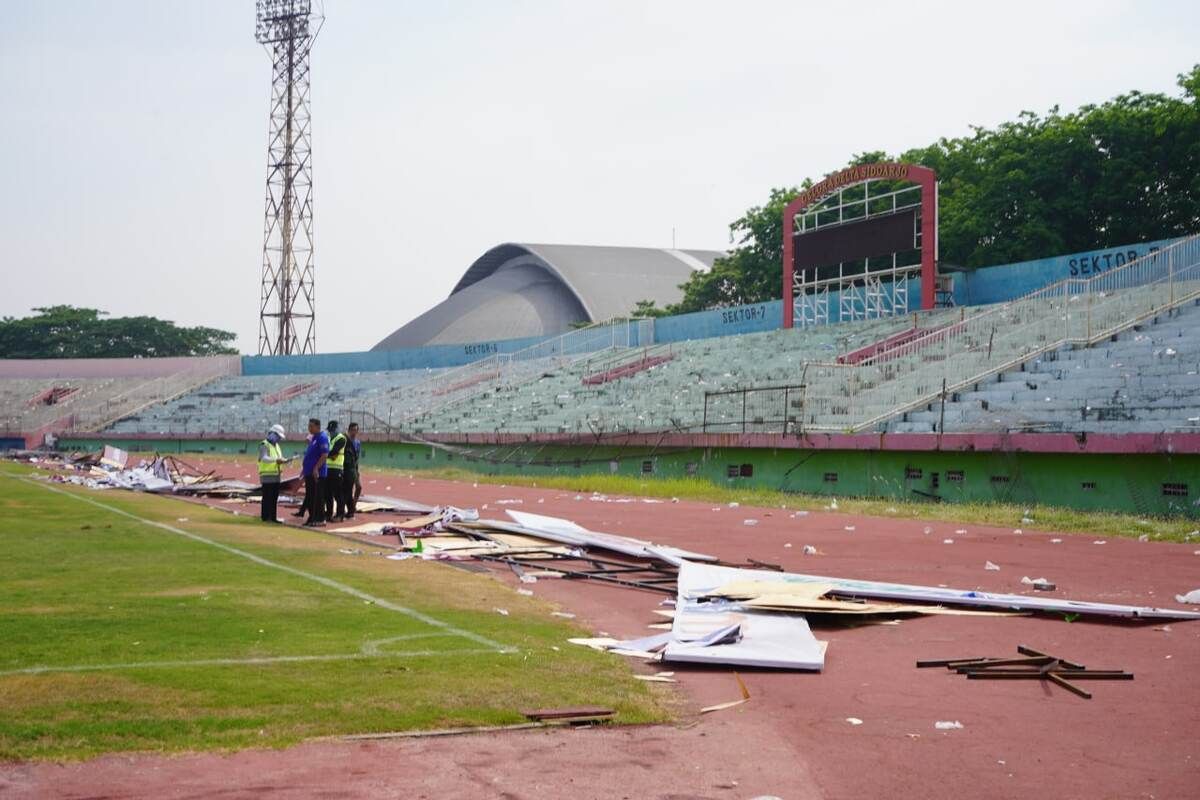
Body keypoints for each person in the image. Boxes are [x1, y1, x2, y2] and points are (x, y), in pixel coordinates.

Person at [257, 424, 290, 523]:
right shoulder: (264, 444)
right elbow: (264, 458)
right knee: (267, 497)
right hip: (267, 475)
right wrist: (276, 460)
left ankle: (273, 517)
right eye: (278, 436)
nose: (279, 439)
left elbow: (278, 458)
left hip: (276, 475)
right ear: (272, 434)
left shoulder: (277, 446)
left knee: (274, 498)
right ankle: (266, 517)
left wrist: (284, 461)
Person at [299, 417, 329, 527]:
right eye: (309, 426)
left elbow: (324, 455)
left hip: (317, 474)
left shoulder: (322, 437)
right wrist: (304, 469)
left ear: (317, 426)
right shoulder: (314, 438)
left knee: (317, 497)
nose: (309, 428)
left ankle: (320, 519)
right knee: (310, 497)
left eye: (311, 426)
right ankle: (312, 518)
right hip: (309, 473)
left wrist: (316, 468)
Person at [324, 420, 347, 522]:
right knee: (327, 493)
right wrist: (328, 454)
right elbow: (329, 453)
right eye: (330, 430)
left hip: (337, 469)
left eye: (333, 430)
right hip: (328, 469)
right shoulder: (329, 439)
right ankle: (328, 514)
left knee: (338, 494)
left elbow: (334, 453)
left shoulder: (341, 438)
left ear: (337, 429)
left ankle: (340, 515)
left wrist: (325, 454)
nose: (331, 432)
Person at [342, 422, 362, 518]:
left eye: (356, 430)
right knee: (346, 490)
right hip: (346, 468)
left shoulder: (358, 443)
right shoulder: (345, 440)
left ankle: (353, 506)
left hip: (354, 468)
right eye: (352, 430)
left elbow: (356, 457)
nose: (354, 432)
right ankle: (349, 509)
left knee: (359, 487)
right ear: (349, 430)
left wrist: (357, 470)